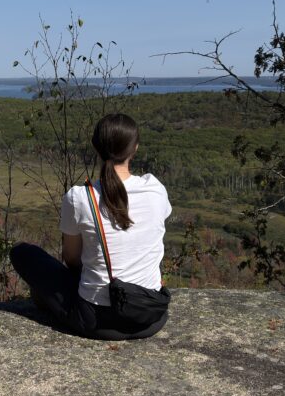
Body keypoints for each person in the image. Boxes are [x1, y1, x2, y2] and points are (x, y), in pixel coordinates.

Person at [10, 112, 171, 340]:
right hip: (150, 316)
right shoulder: (156, 189)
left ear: (96, 148)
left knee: (22, 253)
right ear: (135, 148)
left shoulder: (79, 197)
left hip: (96, 320)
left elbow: (72, 259)